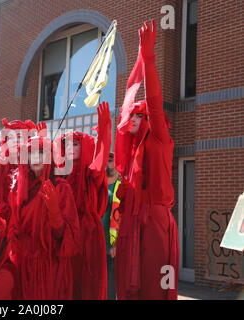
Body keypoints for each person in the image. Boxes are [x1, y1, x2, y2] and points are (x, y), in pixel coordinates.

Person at [114, 20, 179, 300]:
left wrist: (149, 60)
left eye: (139, 115)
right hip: (132, 223)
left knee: (154, 286)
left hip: (153, 222)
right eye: (133, 114)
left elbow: (153, 101)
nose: (133, 118)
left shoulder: (159, 140)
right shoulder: (131, 154)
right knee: (129, 287)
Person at [8, 135, 80, 299]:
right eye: (30, 153)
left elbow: (67, 239)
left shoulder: (61, 188)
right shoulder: (18, 188)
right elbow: (13, 228)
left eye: (40, 152)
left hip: (50, 267)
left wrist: (54, 211)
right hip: (21, 264)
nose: (35, 157)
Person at [53, 101, 111, 300]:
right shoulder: (58, 175)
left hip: (87, 235)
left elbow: (101, 158)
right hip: (64, 235)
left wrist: (104, 131)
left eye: (75, 143)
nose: (69, 147)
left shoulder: (90, 173)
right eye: (66, 144)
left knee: (86, 283)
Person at [100, 152, 121, 300]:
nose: (108, 162)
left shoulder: (122, 184)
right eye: (106, 160)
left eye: (111, 159)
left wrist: (117, 243)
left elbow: (124, 218)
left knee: (110, 289)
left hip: (112, 246)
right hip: (96, 243)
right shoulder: (98, 183)